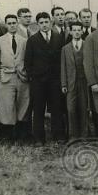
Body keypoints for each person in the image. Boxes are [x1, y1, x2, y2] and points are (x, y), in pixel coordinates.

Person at [24, 11, 66, 143]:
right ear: (37, 24)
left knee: (57, 108)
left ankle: (58, 135)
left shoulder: (59, 38)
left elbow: (62, 59)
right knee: (38, 109)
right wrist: (34, 76)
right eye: (41, 23)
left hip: (55, 80)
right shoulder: (32, 40)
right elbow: (27, 62)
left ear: (50, 22)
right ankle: (39, 138)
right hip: (38, 82)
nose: (44, 25)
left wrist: (60, 77)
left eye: (46, 22)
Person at [0, 14, 31, 142]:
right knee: (6, 107)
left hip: (22, 78)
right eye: (9, 23)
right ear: (6, 25)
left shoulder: (24, 41)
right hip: (6, 79)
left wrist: (26, 74)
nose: (12, 25)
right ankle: (7, 136)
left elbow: (28, 59)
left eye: (14, 23)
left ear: (17, 24)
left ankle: (22, 135)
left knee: (23, 105)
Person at [60, 21, 90, 139]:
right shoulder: (65, 48)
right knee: (71, 109)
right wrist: (64, 84)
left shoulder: (87, 45)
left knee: (83, 108)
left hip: (84, 82)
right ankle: (73, 135)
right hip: (71, 83)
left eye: (79, 30)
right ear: (71, 32)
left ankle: (84, 135)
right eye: (74, 30)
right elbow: (63, 67)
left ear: (82, 31)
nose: (77, 32)